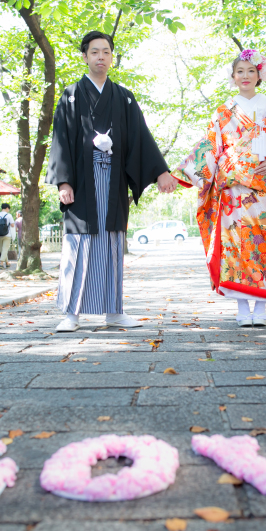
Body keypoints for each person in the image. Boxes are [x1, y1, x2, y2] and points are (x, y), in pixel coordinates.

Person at [46, 30, 177, 332]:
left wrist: (160, 172)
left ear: (112, 57)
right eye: (95, 52)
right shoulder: (71, 95)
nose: (101, 57)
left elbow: (140, 138)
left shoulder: (124, 97)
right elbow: (61, 141)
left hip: (112, 180)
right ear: (85, 56)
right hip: (82, 182)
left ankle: (114, 312)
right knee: (78, 244)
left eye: (106, 52)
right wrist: (64, 182)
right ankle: (71, 313)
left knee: (112, 243)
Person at [170, 49, 266, 327]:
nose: (245, 76)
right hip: (232, 192)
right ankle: (242, 307)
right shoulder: (223, 111)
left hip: (265, 189)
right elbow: (209, 147)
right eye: (239, 71)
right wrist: (180, 175)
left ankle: (262, 307)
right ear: (233, 77)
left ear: (259, 75)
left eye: (251, 71)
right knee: (236, 246)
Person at [0, 203, 15, 270]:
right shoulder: (8, 215)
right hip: (7, 235)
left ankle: (7, 263)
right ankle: (1, 263)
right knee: (5, 250)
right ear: (7, 208)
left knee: (2, 250)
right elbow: (12, 225)